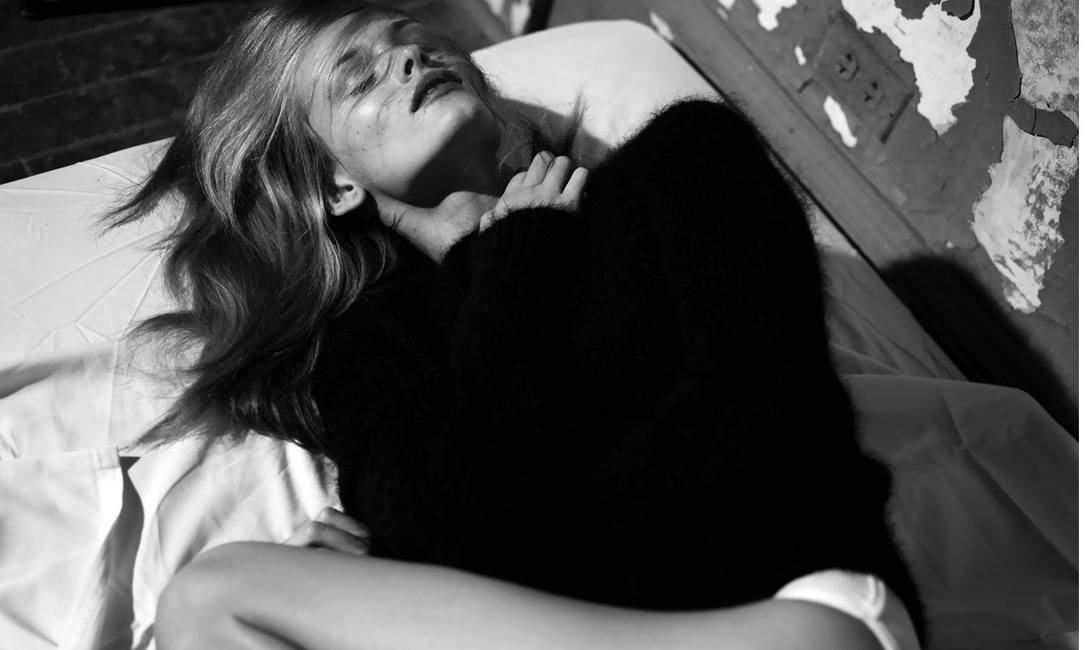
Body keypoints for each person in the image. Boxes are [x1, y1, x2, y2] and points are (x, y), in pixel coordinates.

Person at [106, 1, 927, 648]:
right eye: (361, 79)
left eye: (413, 41)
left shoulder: (679, 163)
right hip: (581, 614)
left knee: (219, 593)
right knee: (213, 605)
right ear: (333, 187)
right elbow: (454, 519)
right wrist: (512, 257)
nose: (412, 58)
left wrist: (427, 561)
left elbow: (761, 425)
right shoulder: (368, 347)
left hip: (782, 603)